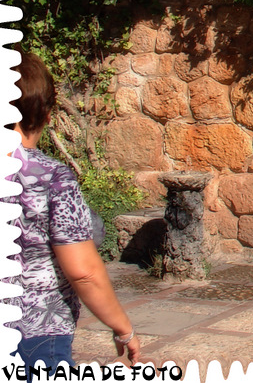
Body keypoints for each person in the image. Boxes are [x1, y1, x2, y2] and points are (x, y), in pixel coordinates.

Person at [3, 50, 142, 377]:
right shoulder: (52, 178)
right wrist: (123, 327)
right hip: (35, 334)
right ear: (47, 113)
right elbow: (83, 272)